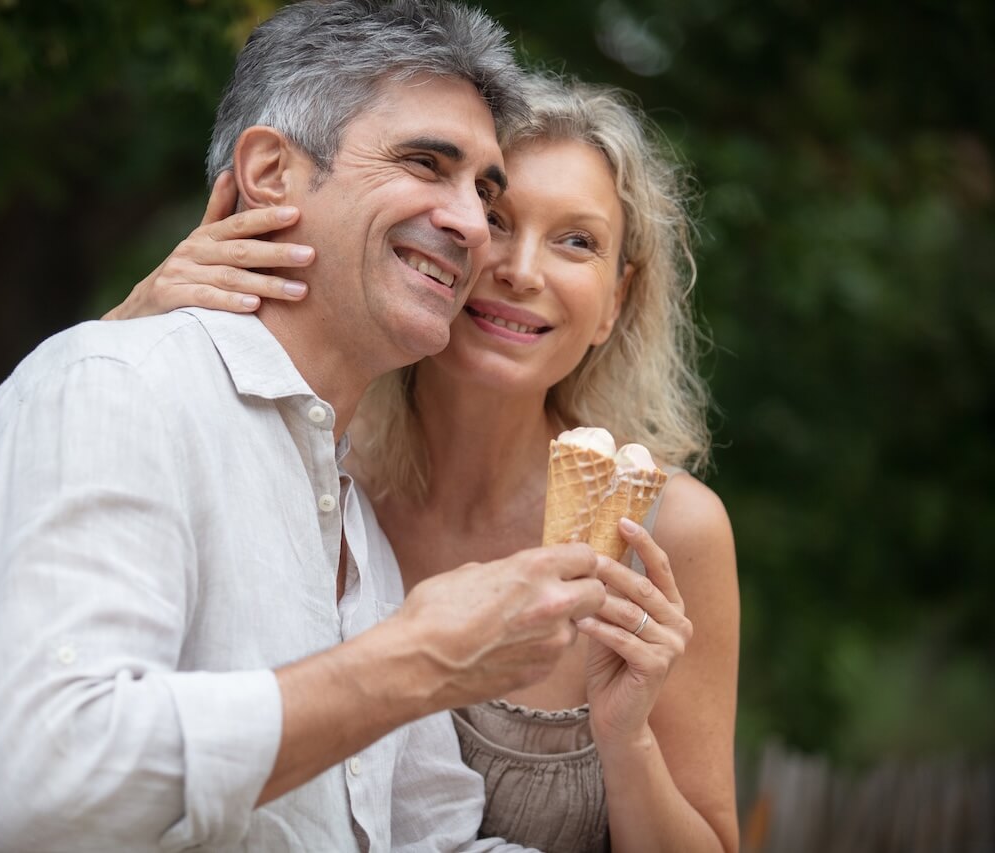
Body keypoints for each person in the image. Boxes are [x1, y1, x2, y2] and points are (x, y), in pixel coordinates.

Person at [0, 1, 616, 850]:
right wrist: (418, 661)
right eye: (427, 163)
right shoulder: (116, 389)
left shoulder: (350, 515)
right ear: (271, 173)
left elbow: (435, 839)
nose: (472, 229)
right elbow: (53, 781)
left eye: (483, 192)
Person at [42, 72, 742, 853]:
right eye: (497, 220)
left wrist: (627, 740)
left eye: (577, 241)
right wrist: (121, 327)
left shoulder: (663, 531)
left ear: (616, 298)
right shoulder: (325, 486)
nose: (522, 269)